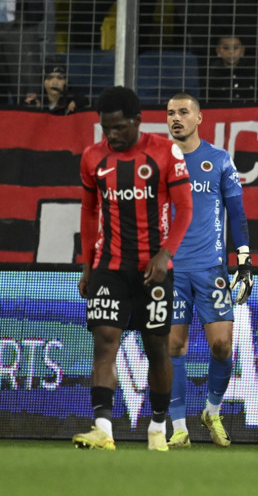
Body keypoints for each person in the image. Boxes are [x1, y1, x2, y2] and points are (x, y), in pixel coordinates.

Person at [73, 86, 193, 451]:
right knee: (104, 342)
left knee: (157, 347)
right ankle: (103, 429)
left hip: (152, 269)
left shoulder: (164, 152)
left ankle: (157, 428)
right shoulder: (92, 158)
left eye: (120, 127)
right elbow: (90, 211)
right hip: (109, 265)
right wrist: (87, 265)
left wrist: (165, 254)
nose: (112, 135)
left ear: (137, 121)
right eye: (106, 128)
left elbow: (185, 208)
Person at [164, 92, 254, 449]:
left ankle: (212, 410)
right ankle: (179, 426)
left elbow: (237, 210)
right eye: (171, 113)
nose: (176, 118)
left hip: (209, 267)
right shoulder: (158, 160)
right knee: (174, 344)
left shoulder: (218, 160)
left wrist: (244, 259)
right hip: (171, 270)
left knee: (221, 344)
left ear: (199, 117)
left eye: (183, 112)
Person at [203, 35, 258, 104]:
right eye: (226, 48)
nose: (231, 52)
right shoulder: (212, 75)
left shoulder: (251, 74)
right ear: (218, 51)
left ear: (242, 51)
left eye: (235, 48)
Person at [24, 64, 89, 115]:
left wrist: (78, 102)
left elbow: (87, 101)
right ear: (44, 82)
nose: (55, 83)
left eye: (60, 78)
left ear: (65, 81)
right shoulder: (37, 101)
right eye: (49, 78)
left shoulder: (74, 101)